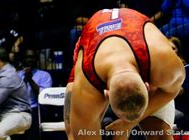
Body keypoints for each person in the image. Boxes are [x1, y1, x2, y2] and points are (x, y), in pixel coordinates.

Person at [65, 8, 186, 139]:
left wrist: (128, 124)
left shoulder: (162, 60)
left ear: (148, 85)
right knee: (74, 132)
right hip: (91, 49)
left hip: (135, 40)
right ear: (106, 94)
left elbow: (172, 90)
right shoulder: (86, 83)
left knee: (160, 134)